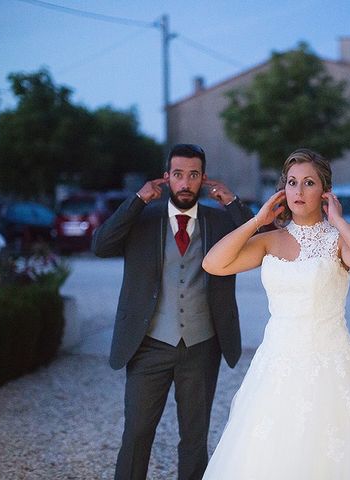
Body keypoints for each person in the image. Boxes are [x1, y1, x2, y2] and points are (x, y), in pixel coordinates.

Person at [201, 148, 350, 479]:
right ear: (281, 190)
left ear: (324, 191)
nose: (298, 191)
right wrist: (258, 220)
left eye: (309, 183)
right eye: (291, 182)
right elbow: (213, 263)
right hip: (276, 365)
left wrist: (340, 222)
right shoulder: (268, 241)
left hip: (331, 363)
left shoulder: (338, 242)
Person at [92, 143, 253, 480]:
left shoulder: (220, 220)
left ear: (203, 179)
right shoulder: (143, 219)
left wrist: (233, 202)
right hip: (148, 344)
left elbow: (261, 241)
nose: (185, 182)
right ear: (166, 178)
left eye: (193, 175)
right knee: (136, 434)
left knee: (194, 440)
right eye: (178, 174)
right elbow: (101, 245)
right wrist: (137, 200)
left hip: (202, 345)